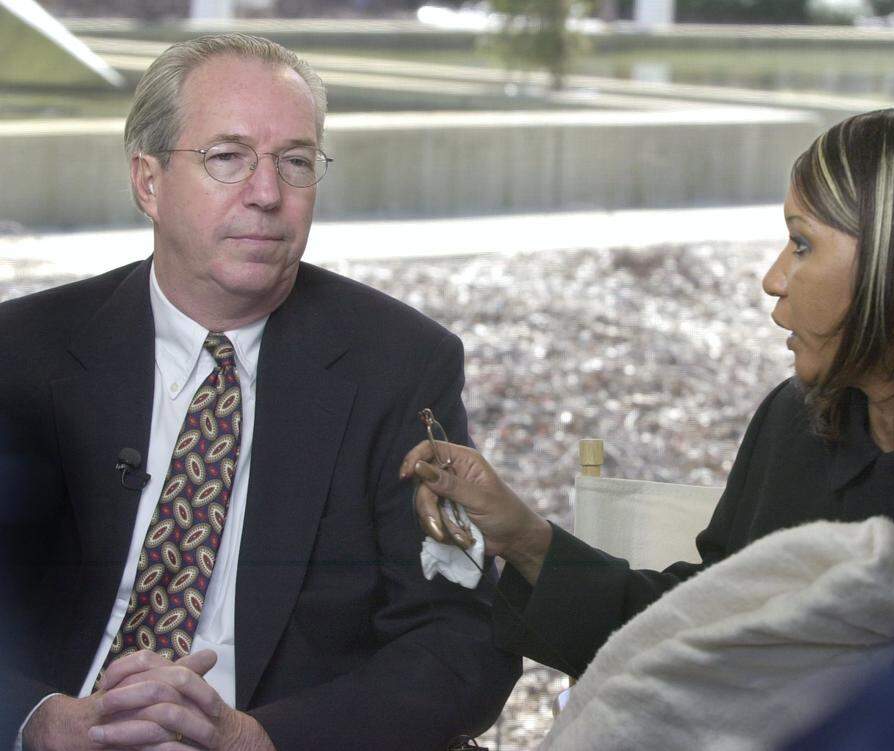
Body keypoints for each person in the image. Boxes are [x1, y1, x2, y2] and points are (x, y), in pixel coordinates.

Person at [402, 106, 894, 686]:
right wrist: (523, 535)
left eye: (803, 243)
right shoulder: (797, 424)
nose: (773, 277)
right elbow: (688, 633)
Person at [0, 34, 519, 751]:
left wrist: (260, 739)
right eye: (227, 157)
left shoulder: (398, 366)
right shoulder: (21, 354)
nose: (268, 193)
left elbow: (460, 641)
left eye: (295, 162)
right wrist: (34, 721)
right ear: (148, 181)